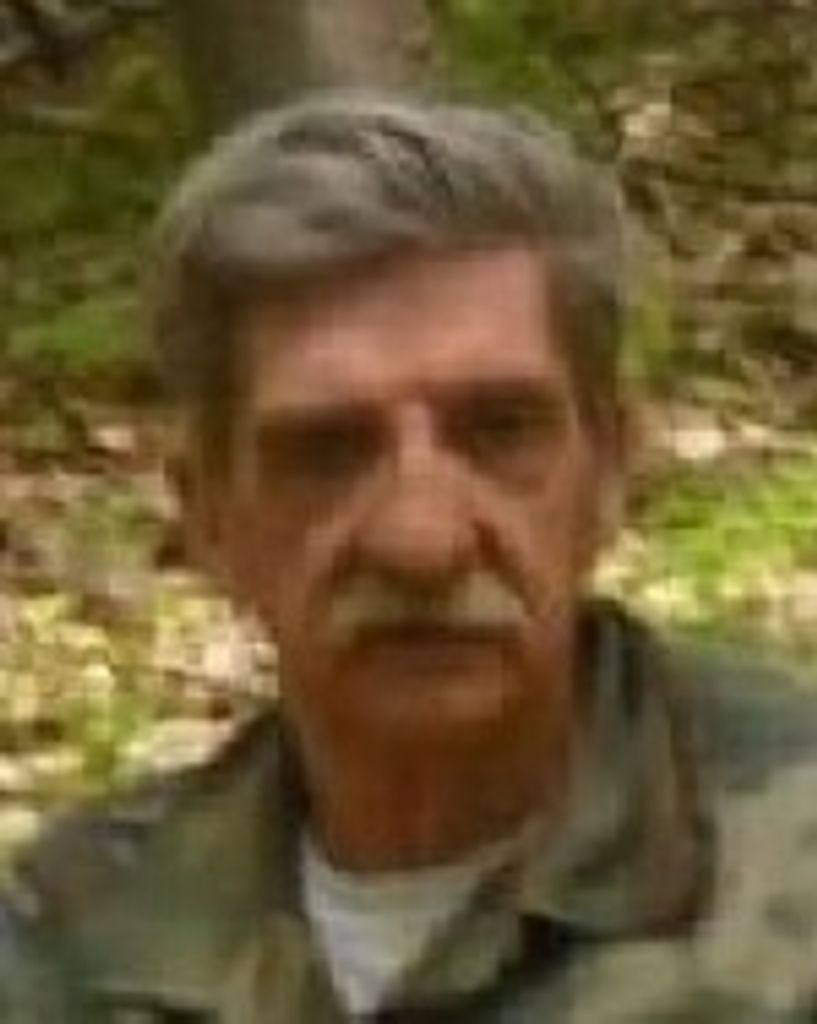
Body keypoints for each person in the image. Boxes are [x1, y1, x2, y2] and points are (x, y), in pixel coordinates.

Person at [3, 91, 817, 1023]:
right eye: (324, 452)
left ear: (610, 471)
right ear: (210, 517)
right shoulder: (75, 936)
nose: (420, 541)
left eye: (499, 431)